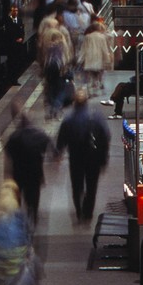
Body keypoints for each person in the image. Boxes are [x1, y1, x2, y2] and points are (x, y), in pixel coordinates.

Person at [56, 87, 111, 223]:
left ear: (74, 102)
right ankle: (88, 213)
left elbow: (61, 139)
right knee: (92, 186)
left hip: (76, 158)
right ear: (87, 101)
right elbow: (105, 136)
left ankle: (79, 211)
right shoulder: (96, 116)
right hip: (94, 158)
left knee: (77, 186)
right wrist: (104, 158)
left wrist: (59, 153)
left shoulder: (68, 118)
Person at [3, 104, 53, 224]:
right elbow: (51, 148)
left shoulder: (14, 137)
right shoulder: (39, 135)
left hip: (18, 175)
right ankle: (33, 218)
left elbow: (8, 156)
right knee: (33, 200)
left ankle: (20, 221)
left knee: (19, 200)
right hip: (35, 174)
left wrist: (7, 176)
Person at [78, 19, 114, 93]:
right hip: (98, 58)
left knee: (90, 74)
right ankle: (97, 86)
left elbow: (83, 49)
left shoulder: (87, 37)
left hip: (89, 59)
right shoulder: (102, 37)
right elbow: (104, 49)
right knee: (98, 73)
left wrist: (80, 59)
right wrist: (107, 59)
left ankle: (90, 88)